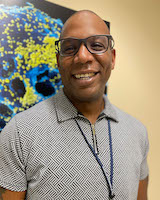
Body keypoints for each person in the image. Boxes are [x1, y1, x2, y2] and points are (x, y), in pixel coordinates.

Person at [0, 10, 149, 200]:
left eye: (96, 45)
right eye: (69, 48)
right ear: (58, 61)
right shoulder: (19, 133)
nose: (83, 57)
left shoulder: (138, 133)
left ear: (112, 58)